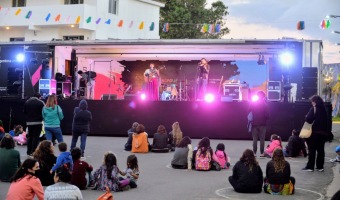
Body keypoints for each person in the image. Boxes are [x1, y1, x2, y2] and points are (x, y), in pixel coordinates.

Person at [302, 95, 328, 172]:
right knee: (320, 150)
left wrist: (306, 116)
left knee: (312, 149)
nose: (311, 103)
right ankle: (320, 167)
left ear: (314, 102)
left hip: (314, 133)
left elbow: (308, 119)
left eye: (312, 101)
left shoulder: (314, 108)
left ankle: (310, 166)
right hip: (323, 133)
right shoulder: (324, 110)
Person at [249, 90, 268, 157]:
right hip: (263, 124)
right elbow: (267, 115)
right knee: (262, 139)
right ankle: (262, 153)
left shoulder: (253, 103)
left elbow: (249, 110)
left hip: (254, 123)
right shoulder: (265, 104)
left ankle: (254, 153)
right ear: (263, 96)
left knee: (255, 139)